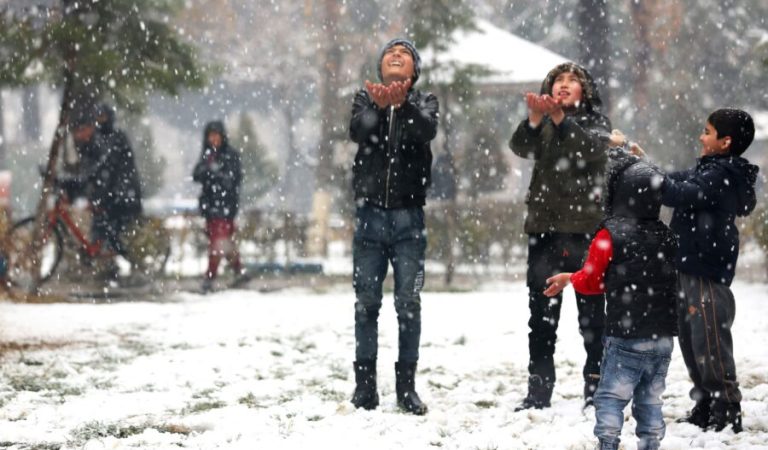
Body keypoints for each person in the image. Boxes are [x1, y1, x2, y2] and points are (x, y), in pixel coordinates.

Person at [544, 150, 678, 450]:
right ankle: (650, 443)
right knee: (651, 399)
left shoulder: (608, 234)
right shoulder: (666, 235)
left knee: (610, 397)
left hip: (626, 336)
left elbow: (593, 281)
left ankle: (607, 444)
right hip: (663, 338)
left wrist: (571, 279)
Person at [509, 62, 618, 410]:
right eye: (558, 80)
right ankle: (538, 392)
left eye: (573, 81)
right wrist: (535, 118)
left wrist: (559, 119)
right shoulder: (541, 125)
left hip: (585, 232)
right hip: (543, 233)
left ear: (585, 91)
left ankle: (596, 391)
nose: (564, 85)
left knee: (592, 319)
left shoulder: (597, 124)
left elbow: (589, 151)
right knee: (541, 318)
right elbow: (519, 146)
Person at [348, 38, 439, 415]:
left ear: (414, 70)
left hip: (408, 218)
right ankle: (365, 388)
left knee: (408, 304)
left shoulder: (424, 102)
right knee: (366, 304)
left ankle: (407, 388)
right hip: (369, 216)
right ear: (379, 66)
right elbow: (357, 131)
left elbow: (426, 132)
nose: (396, 56)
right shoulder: (364, 99)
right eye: (389, 52)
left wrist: (401, 106)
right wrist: (380, 108)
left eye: (404, 54)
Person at [660, 108, 757, 433]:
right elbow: (676, 178)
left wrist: (650, 179)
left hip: (705, 269)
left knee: (709, 340)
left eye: (707, 131)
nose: (701, 137)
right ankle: (704, 401)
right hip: (689, 264)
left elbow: (679, 192)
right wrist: (645, 166)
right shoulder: (710, 169)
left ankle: (726, 406)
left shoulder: (723, 175)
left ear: (725, 141)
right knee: (690, 340)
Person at [71, 104, 142, 279]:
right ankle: (108, 265)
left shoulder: (116, 138)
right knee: (100, 230)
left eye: (103, 117)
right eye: (98, 118)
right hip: (108, 193)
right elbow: (94, 169)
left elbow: (106, 167)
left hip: (121, 194)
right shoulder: (96, 140)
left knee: (110, 231)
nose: (101, 121)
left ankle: (119, 261)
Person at [192, 121, 244, 294]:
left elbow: (232, 179)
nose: (214, 139)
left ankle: (210, 276)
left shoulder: (230, 155)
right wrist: (209, 171)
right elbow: (197, 174)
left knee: (218, 242)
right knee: (223, 243)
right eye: (210, 136)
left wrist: (215, 174)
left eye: (216, 135)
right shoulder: (207, 155)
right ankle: (239, 270)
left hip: (225, 207)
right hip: (210, 207)